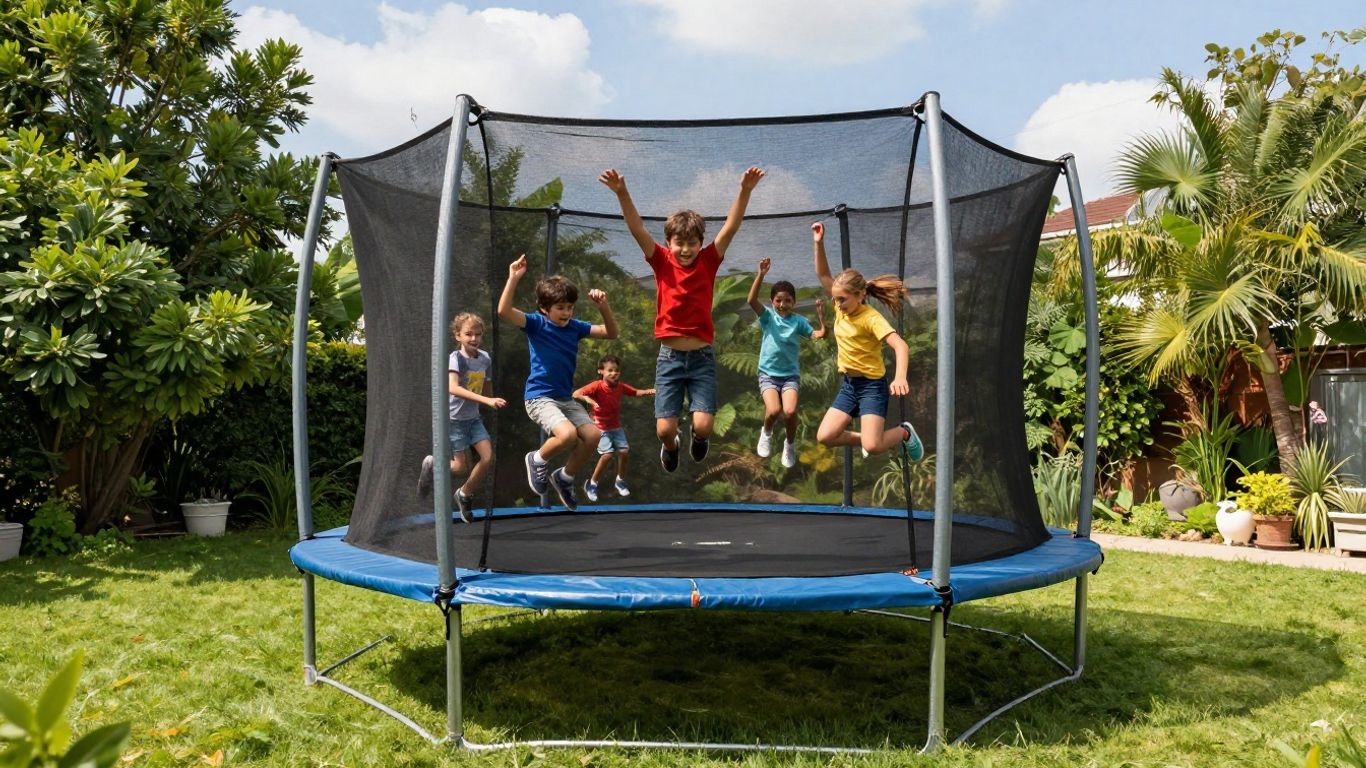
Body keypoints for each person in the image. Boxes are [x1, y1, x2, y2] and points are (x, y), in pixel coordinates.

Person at [598, 165, 765, 472]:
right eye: (679, 243)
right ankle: (671, 445)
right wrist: (622, 193)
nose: (686, 249)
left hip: (702, 358)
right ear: (669, 243)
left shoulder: (709, 260)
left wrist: (745, 190)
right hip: (670, 359)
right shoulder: (661, 261)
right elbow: (637, 228)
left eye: (692, 243)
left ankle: (698, 438)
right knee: (664, 430)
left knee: (703, 426)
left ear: (701, 243)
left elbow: (731, 226)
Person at [498, 254, 618, 510]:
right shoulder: (536, 323)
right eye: (560, 308)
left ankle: (564, 477)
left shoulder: (575, 327)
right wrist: (513, 279)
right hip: (539, 397)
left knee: (593, 436)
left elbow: (611, 333)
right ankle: (537, 459)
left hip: (564, 398)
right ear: (545, 308)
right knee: (568, 435)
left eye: (570, 307)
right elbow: (504, 311)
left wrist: (603, 307)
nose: (566, 313)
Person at [810, 221, 924, 460]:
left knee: (872, 448)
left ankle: (903, 433)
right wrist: (818, 243)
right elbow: (823, 274)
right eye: (836, 299)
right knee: (825, 436)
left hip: (872, 386)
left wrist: (900, 377)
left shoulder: (871, 318)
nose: (837, 304)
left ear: (860, 295)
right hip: (850, 385)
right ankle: (874, 438)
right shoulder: (841, 308)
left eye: (842, 300)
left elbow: (900, 345)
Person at [417, 312, 507, 522]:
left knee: (488, 458)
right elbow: (453, 388)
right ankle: (433, 463)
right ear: (458, 336)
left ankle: (464, 494)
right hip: (455, 419)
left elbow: (486, 385)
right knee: (460, 467)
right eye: (468, 334)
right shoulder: (455, 358)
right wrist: (487, 401)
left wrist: (492, 399)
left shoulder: (484, 358)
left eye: (478, 334)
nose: (474, 338)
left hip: (473, 418)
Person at [746, 257, 826, 468]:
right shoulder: (768, 317)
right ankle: (766, 432)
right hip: (768, 374)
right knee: (773, 411)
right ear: (772, 301)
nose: (782, 305)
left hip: (790, 376)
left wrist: (822, 321)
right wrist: (761, 274)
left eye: (787, 300)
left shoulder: (798, 321)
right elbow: (751, 300)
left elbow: (818, 335)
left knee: (789, 412)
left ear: (794, 303)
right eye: (778, 300)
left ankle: (789, 444)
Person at [572, 355, 656, 501]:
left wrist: (650, 391)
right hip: (600, 428)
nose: (614, 373)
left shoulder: (620, 387)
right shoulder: (596, 386)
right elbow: (576, 393)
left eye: (616, 370)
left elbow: (635, 392)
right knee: (607, 454)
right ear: (601, 371)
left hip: (615, 427)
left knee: (624, 452)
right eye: (610, 370)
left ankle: (620, 481)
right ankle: (592, 483)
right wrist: (588, 399)